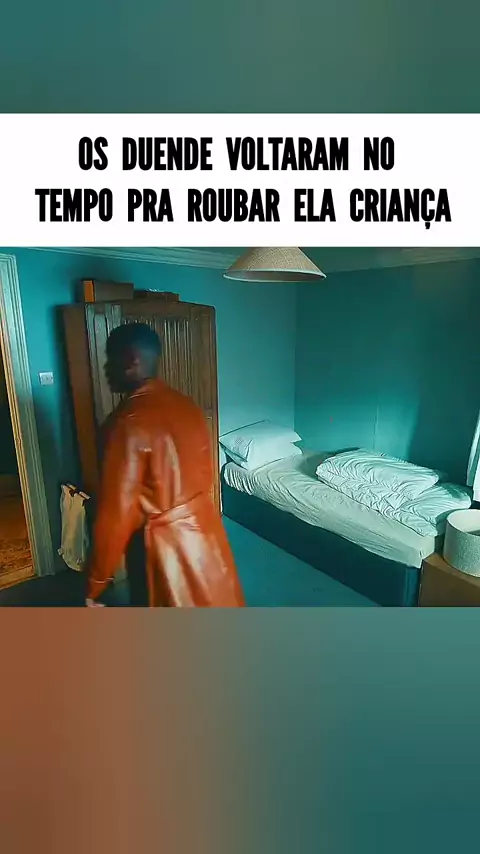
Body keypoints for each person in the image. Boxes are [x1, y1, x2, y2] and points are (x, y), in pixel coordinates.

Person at [85, 322, 245, 608]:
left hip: (162, 552)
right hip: (206, 536)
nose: (106, 368)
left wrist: (95, 582)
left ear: (131, 360)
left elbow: (116, 514)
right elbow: (204, 475)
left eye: (110, 359)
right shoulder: (188, 406)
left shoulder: (126, 424)